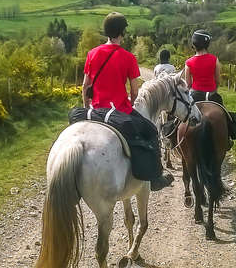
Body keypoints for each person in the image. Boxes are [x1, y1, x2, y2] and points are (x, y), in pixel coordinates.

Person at [82, 12, 174, 191]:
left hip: (95, 111)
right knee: (151, 131)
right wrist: (131, 105)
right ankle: (155, 178)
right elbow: (134, 90)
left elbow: (85, 86)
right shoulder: (128, 58)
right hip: (120, 111)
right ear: (122, 32)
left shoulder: (92, 54)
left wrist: (88, 109)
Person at [184, 29, 223, 104]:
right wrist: (214, 90)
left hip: (195, 95)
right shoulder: (215, 60)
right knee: (226, 114)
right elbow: (218, 80)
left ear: (194, 44)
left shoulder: (188, 63)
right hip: (212, 94)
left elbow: (188, 84)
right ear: (207, 44)